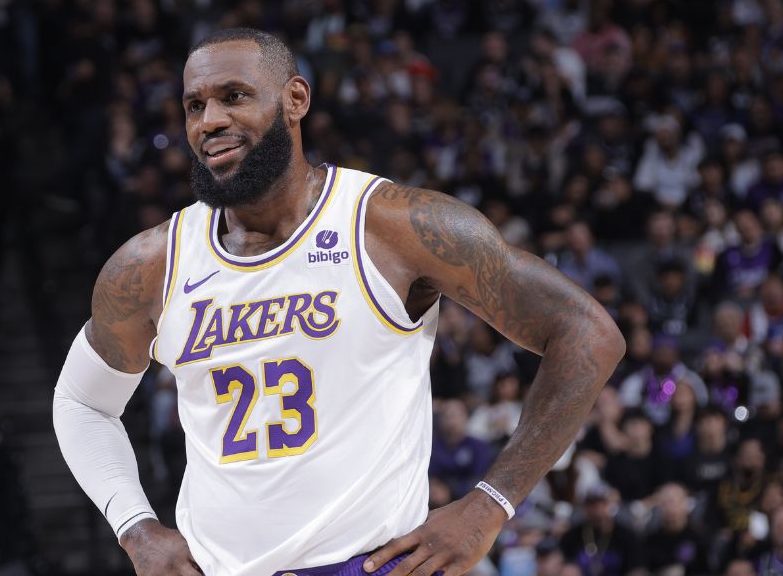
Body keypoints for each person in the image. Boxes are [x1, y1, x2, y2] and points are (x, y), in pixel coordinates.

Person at [52, 28, 625, 576]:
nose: (211, 121)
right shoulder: (152, 264)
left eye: (234, 97)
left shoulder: (392, 225)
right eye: (194, 106)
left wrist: (490, 503)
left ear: (295, 98)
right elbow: (81, 403)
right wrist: (135, 527)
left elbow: (586, 333)